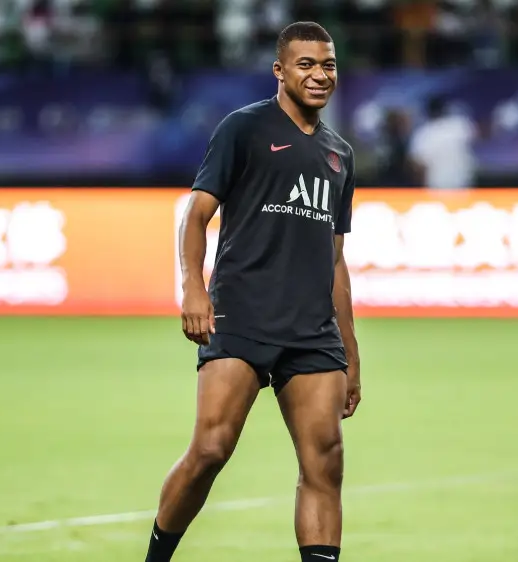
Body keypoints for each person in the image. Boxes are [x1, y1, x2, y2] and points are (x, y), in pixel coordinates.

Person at [144, 21, 362, 562]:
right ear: (279, 71)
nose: (319, 75)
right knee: (211, 449)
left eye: (328, 65)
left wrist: (351, 350)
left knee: (325, 459)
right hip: (241, 316)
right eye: (306, 64)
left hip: (313, 331)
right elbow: (196, 215)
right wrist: (193, 288)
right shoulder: (244, 128)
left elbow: (335, 258)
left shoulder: (339, 154)